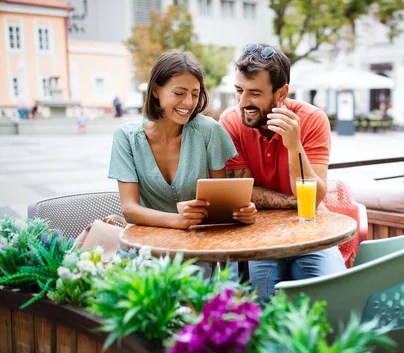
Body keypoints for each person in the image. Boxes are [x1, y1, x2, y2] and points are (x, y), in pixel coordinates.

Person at [219, 43, 346, 305]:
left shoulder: (312, 119)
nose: (243, 102)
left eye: (254, 93)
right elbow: (242, 193)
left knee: (335, 298)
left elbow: (316, 196)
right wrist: (296, 200)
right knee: (260, 301)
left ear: (282, 93)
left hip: (310, 232)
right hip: (259, 235)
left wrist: (293, 144)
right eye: (239, 91)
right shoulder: (231, 122)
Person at [108, 49, 257, 233]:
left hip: (198, 243)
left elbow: (221, 203)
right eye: (179, 93)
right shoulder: (126, 137)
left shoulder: (209, 131)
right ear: (155, 90)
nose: (188, 103)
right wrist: (178, 220)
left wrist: (241, 211)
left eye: (195, 94)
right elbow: (130, 210)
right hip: (145, 245)